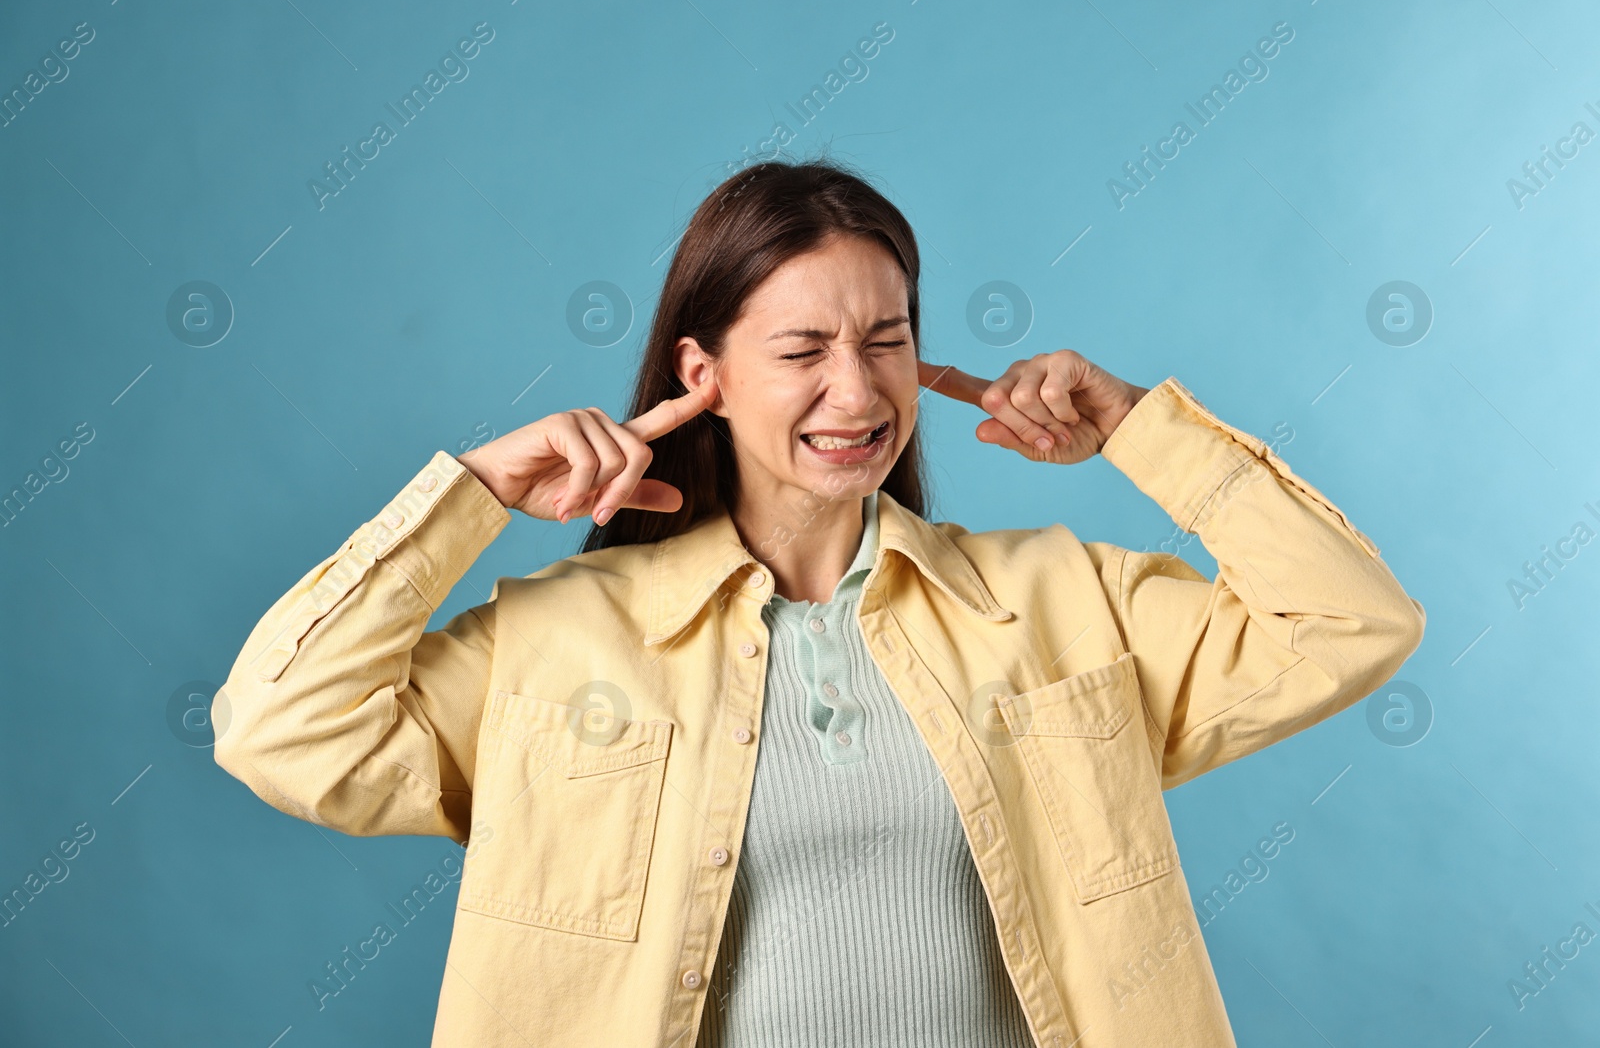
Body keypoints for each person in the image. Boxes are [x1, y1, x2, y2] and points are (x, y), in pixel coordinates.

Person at [213, 158, 1425, 1048]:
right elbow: (278, 729)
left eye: (885, 339)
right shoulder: (561, 636)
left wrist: (1141, 432)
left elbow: (1351, 621)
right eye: (801, 350)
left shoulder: (1058, 600)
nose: (855, 389)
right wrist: (469, 497)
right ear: (706, 375)